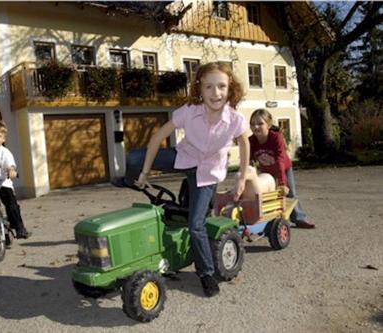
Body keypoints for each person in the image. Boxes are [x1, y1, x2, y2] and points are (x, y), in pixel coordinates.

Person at [112, 62, 250, 297]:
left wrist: (241, 179)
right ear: (200, 88)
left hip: (206, 173)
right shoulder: (189, 111)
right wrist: (144, 173)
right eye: (208, 87)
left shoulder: (235, 119)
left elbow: (245, 143)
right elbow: (157, 138)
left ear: (230, 88)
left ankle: (206, 273)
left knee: (196, 225)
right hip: (183, 157)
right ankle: (130, 180)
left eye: (221, 86)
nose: (215, 93)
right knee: (135, 157)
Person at [248, 108, 315, 229]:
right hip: (267, 171)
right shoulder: (251, 141)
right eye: (252, 124)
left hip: (284, 168)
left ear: (268, 125)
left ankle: (299, 218)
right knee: (267, 195)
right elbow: (249, 162)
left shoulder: (275, 138)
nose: (256, 127)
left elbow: (280, 160)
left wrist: (282, 183)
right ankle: (269, 220)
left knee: (290, 193)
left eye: (260, 123)